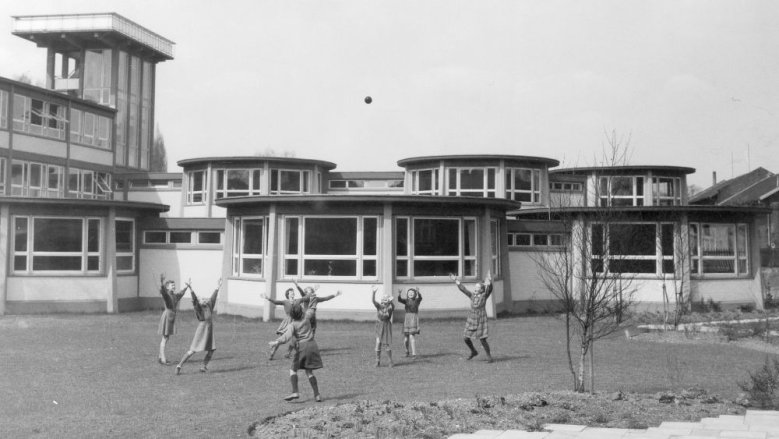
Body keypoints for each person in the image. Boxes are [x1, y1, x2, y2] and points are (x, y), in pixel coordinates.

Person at [268, 303, 324, 402]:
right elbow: (311, 310)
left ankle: (295, 392)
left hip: (302, 347)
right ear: (302, 312)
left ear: (292, 315)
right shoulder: (306, 319)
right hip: (312, 345)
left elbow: (286, 337)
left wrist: (276, 342)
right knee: (309, 371)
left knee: (293, 370)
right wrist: (312, 299)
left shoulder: (292, 325)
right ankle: (317, 395)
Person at [176, 278, 222, 375]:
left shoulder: (209, 306)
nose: (204, 300)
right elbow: (195, 300)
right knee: (193, 350)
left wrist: (218, 287)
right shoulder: (199, 309)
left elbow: (213, 298)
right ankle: (179, 365)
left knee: (212, 349)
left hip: (209, 331)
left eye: (205, 299)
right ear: (199, 302)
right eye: (202, 299)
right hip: (202, 330)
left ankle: (203, 367)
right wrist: (191, 289)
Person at [449, 270, 494, 363]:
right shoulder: (472, 295)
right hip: (472, 318)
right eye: (475, 287)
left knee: (483, 339)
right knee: (466, 338)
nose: (475, 288)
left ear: (482, 289)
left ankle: (489, 357)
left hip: (481, 318)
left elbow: (489, 289)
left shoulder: (484, 295)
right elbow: (463, 289)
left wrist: (489, 282)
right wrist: (456, 280)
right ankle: (473, 351)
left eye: (477, 287)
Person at [261, 288, 308, 360]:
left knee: (295, 339)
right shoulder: (285, 302)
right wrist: (267, 298)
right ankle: (272, 353)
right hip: (287, 322)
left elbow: (305, 298)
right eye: (291, 292)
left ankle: (289, 354)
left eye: (293, 292)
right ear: (288, 295)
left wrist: (312, 291)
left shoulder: (297, 301)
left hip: (296, 322)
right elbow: (276, 302)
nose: (292, 293)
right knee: (281, 339)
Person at [157, 274, 190, 365]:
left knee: (166, 338)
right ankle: (163, 359)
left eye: (174, 285)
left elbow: (180, 294)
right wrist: (161, 283)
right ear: (168, 287)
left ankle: (160, 357)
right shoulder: (167, 295)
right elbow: (163, 292)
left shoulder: (174, 296)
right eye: (172, 285)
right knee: (165, 338)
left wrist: (187, 287)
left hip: (171, 317)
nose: (174, 286)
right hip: (167, 317)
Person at [372, 286, 394, 367]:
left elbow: (393, 306)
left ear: (388, 303)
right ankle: (377, 361)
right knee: (378, 343)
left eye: (385, 302)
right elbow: (373, 301)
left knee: (386, 344)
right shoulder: (379, 307)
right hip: (379, 326)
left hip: (386, 326)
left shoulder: (390, 308)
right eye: (382, 302)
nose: (383, 304)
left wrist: (391, 302)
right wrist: (373, 293)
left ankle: (390, 361)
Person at [397, 287, 422, 359]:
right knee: (406, 339)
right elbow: (399, 300)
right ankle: (406, 351)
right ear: (407, 294)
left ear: (415, 294)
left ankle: (414, 354)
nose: (410, 294)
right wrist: (399, 294)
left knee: (412, 336)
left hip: (413, 319)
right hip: (407, 319)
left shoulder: (417, 300)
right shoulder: (406, 301)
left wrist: (418, 293)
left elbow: (420, 298)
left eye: (412, 293)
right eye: (409, 292)